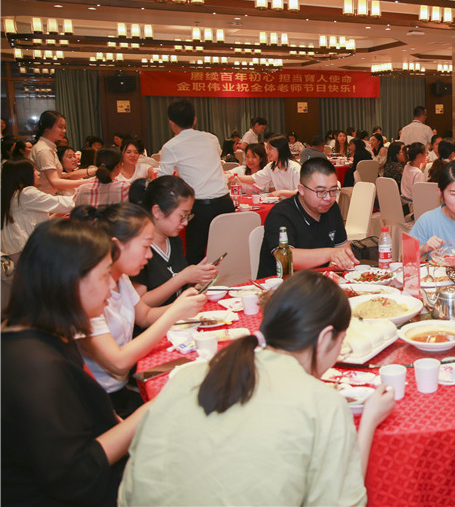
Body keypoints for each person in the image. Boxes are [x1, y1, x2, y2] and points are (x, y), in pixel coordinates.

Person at [118, 271, 395, 506]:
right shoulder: (321, 403)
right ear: (324, 339)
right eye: (341, 342)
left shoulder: (188, 376)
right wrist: (368, 421)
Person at [1, 219, 152, 506]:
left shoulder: (45, 332)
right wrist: (150, 412)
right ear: (69, 280)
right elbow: (75, 475)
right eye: (106, 275)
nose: (112, 286)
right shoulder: (34, 367)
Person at [70, 203, 206, 416]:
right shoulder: (90, 295)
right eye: (145, 246)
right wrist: (174, 313)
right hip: (103, 401)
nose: (149, 255)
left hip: (123, 388)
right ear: (117, 246)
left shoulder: (122, 278)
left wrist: (183, 305)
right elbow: (118, 363)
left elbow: (145, 316)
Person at [158, 100, 234, 264]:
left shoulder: (170, 147)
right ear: (194, 120)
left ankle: (196, 281)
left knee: (195, 256)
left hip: (199, 208)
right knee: (227, 251)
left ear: (171, 123)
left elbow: (162, 181)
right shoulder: (212, 138)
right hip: (225, 203)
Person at [258, 158, 358, 277]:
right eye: (321, 191)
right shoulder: (281, 213)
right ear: (301, 190)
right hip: (280, 284)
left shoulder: (332, 208)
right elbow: (287, 258)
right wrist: (330, 254)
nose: (328, 198)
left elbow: (342, 248)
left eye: (333, 190)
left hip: (318, 281)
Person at [129, 176, 217, 307]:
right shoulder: (138, 248)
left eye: (188, 216)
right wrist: (183, 277)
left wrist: (196, 277)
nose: (185, 223)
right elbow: (140, 306)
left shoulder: (174, 240)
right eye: (182, 216)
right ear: (157, 212)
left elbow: (179, 291)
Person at [1, 159, 75, 259]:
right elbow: (65, 203)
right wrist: (85, 188)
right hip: (24, 250)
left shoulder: (12, 194)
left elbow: (31, 221)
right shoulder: (26, 193)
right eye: (34, 170)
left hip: (16, 249)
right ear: (24, 175)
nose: (38, 173)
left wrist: (56, 215)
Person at [30, 110, 95, 196]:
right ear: (47, 128)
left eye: (64, 127)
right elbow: (55, 182)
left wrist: (95, 171)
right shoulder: (44, 150)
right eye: (60, 127)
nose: (64, 131)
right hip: (44, 196)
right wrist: (90, 181)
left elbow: (65, 176)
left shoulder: (48, 147)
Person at [231, 134, 300, 198]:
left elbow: (301, 191)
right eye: (267, 148)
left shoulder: (294, 167)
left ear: (280, 149)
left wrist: (281, 192)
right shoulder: (271, 166)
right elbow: (254, 179)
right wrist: (234, 177)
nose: (267, 152)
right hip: (283, 202)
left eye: (270, 149)